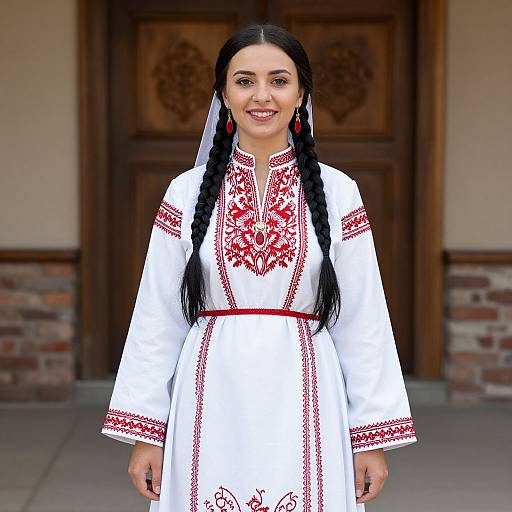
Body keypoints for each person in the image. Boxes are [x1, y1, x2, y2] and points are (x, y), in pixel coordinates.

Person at [100, 23, 418, 512]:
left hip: (307, 392)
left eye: (279, 80)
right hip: (210, 390)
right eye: (245, 80)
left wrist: (369, 437)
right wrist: (147, 432)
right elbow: (156, 318)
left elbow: (364, 320)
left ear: (301, 93)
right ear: (223, 94)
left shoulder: (337, 192)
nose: (262, 96)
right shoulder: (186, 193)